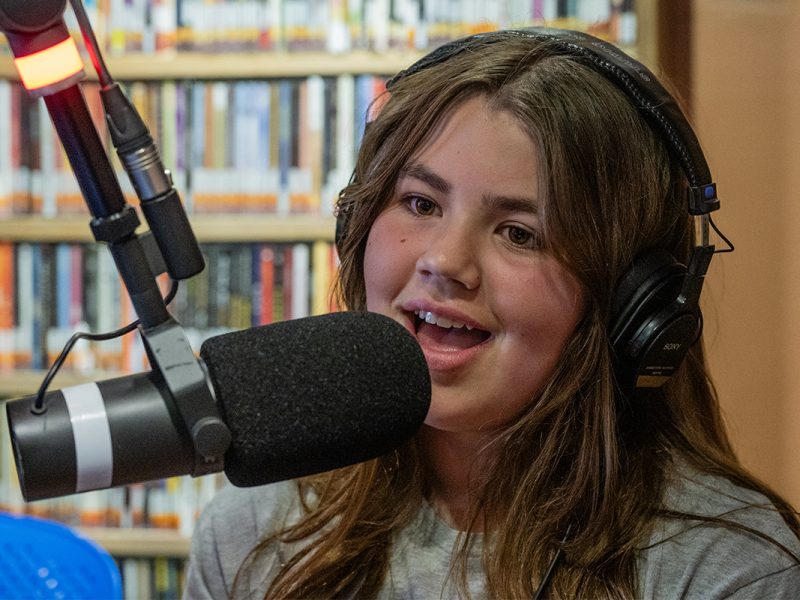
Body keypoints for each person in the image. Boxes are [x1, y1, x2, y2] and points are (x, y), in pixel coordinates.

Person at [183, 29, 800, 599]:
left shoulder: (730, 568)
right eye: (420, 203)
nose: (446, 262)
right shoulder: (253, 538)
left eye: (519, 234)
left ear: (628, 304)